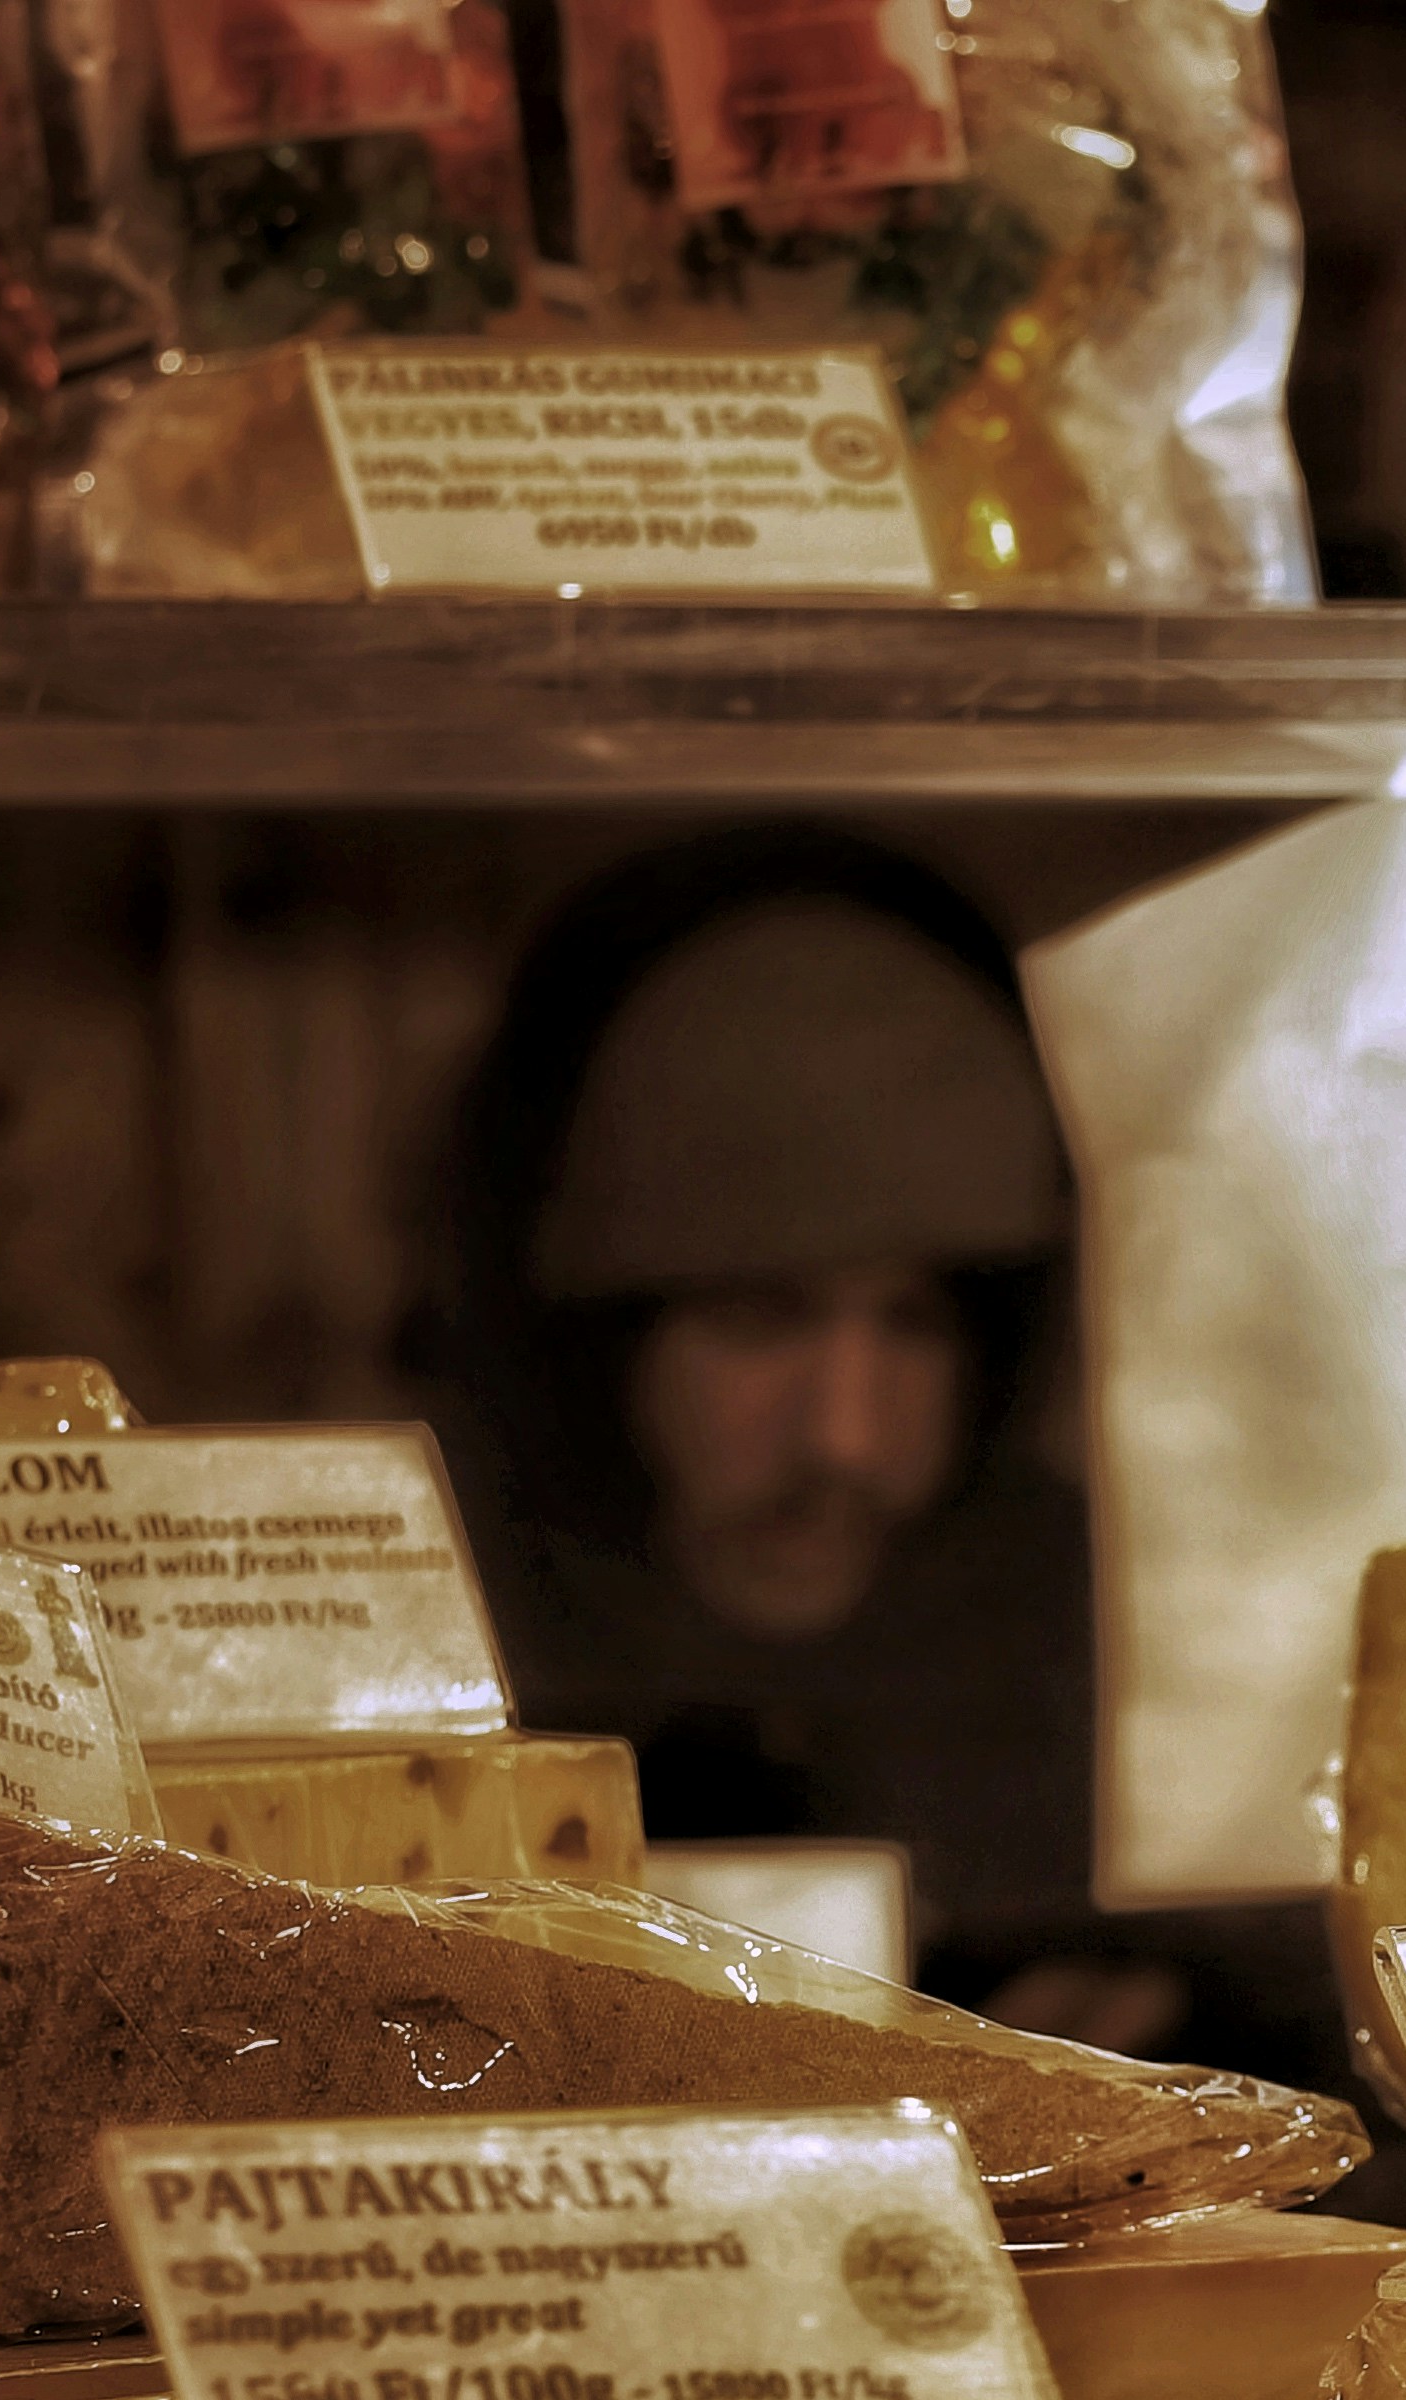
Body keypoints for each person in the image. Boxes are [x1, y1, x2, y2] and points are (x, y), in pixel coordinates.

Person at [419, 830, 1157, 2034]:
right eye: (761, 1322)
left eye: (913, 1324)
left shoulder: (1120, 1664)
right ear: (603, 1350)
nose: (847, 1440)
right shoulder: (435, 1663)